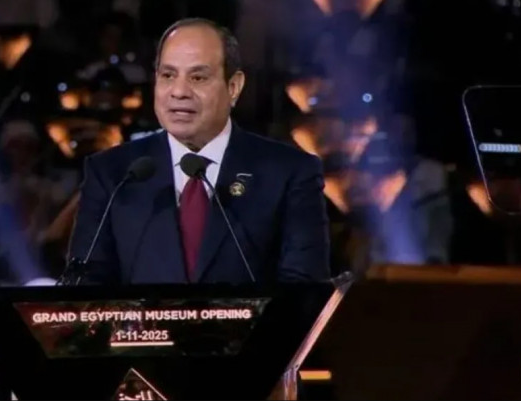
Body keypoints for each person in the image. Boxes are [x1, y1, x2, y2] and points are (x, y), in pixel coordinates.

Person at [67, 18, 330, 284]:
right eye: (168, 75)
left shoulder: (290, 173)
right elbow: (86, 286)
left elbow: (303, 289)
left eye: (198, 78)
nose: (179, 92)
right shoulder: (112, 174)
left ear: (234, 87)